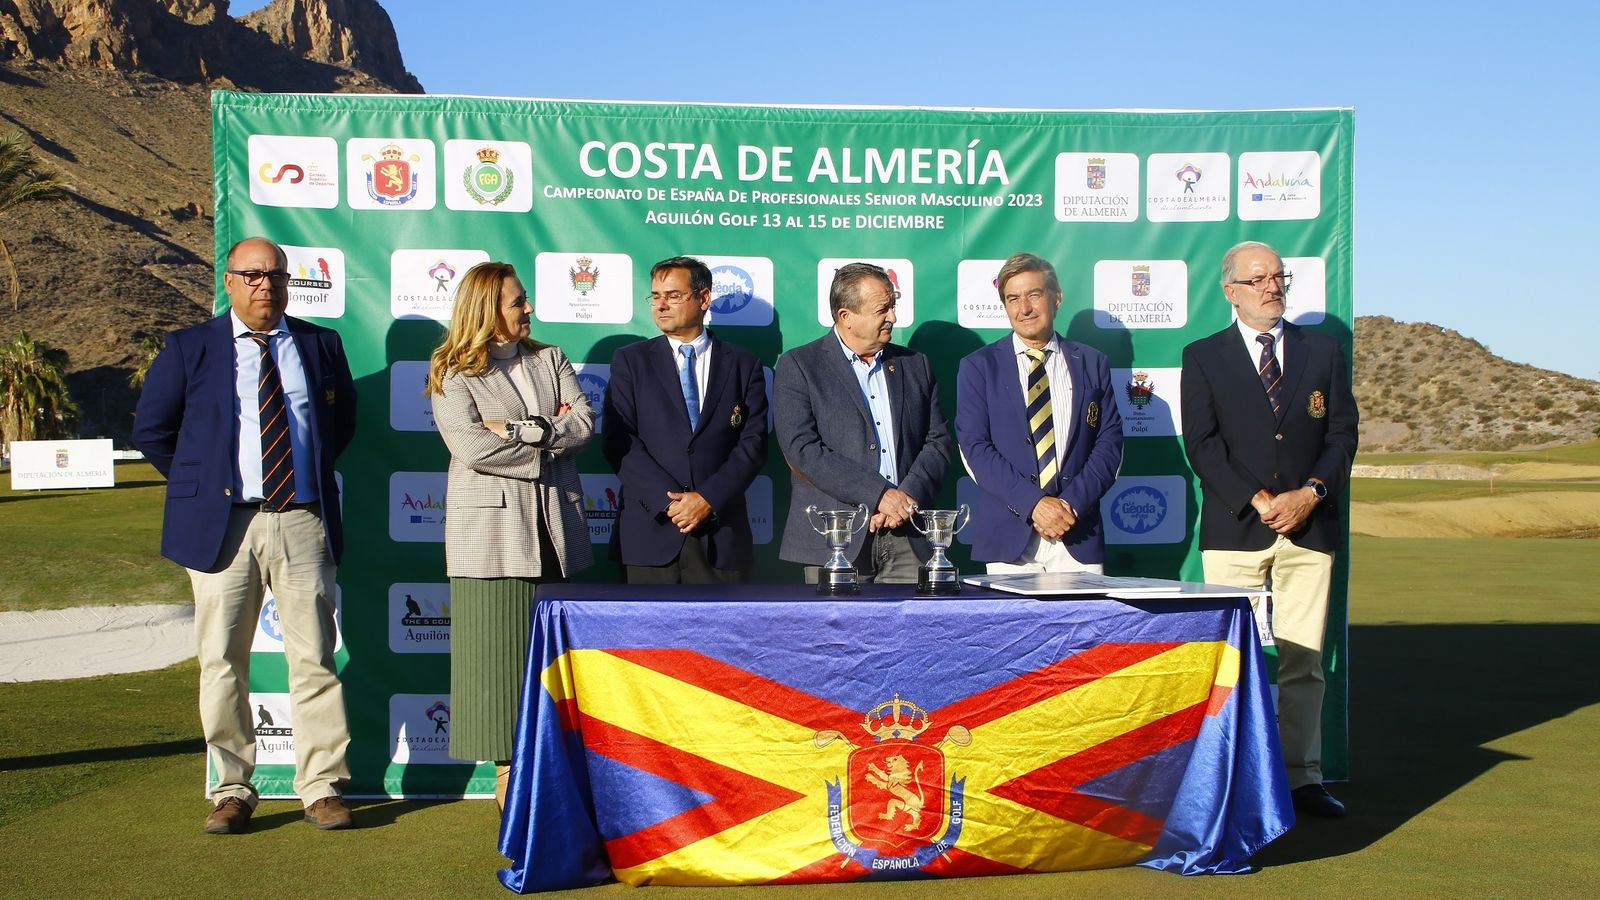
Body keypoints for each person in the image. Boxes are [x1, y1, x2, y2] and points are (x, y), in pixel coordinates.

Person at [133, 236, 356, 834]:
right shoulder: (189, 347)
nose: (266, 286)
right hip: (221, 527)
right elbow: (153, 430)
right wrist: (205, 486)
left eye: (276, 276)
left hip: (302, 519)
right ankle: (233, 789)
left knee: (313, 659)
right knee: (222, 662)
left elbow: (342, 424)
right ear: (229, 282)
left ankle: (321, 787)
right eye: (252, 276)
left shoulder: (319, 344)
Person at [1180, 240, 1358, 819]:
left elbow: (1341, 437)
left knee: (1304, 660)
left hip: (1310, 530)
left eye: (1278, 277)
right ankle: (1228, 780)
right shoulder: (1203, 355)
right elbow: (1202, 445)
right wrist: (1258, 500)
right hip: (1236, 531)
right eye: (1258, 279)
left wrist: (1311, 494)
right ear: (1230, 290)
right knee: (1228, 661)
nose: (1271, 287)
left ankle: (1301, 777)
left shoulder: (1324, 352)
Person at [425, 261, 593, 811]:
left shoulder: (551, 358)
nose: (529, 309)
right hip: (491, 541)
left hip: (558, 534)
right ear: (485, 309)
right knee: (498, 673)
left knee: (563, 673)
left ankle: (563, 787)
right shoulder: (451, 369)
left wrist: (523, 431)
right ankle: (511, 792)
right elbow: (471, 448)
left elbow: (584, 425)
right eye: (518, 302)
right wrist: (547, 437)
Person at [774, 262, 951, 583]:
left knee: (910, 633)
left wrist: (904, 500)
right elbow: (802, 450)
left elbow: (937, 442)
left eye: (892, 307)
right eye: (882, 309)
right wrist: (879, 494)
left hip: (907, 536)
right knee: (836, 634)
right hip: (835, 538)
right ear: (846, 317)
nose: (893, 318)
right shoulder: (799, 365)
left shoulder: (915, 365)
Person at [602, 256, 768, 583]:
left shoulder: (743, 364)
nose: (661, 305)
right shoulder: (630, 362)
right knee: (648, 636)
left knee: (723, 634)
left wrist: (707, 499)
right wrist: (672, 505)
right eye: (656, 296)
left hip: (720, 537)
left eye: (674, 295)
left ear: (704, 299)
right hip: (651, 534)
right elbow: (619, 441)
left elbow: (753, 444)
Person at [956, 252, 1123, 573]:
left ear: (1056, 298)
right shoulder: (979, 366)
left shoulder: (1092, 362)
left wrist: (1067, 507)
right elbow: (974, 448)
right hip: (1009, 539)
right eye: (1013, 298)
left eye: (1034, 294)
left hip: (1077, 533)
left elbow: (1109, 445)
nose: (1025, 308)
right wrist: (1035, 505)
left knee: (1084, 625)